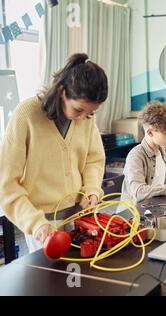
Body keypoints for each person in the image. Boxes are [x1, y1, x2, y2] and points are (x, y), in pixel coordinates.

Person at [0, 53, 108, 253]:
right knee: (48, 282)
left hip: (81, 218)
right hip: (43, 226)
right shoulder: (26, 115)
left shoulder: (86, 119)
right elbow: (7, 185)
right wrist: (35, 223)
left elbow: (94, 159)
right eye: (78, 110)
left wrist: (92, 189)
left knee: (83, 280)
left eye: (90, 113)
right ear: (62, 91)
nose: (83, 118)